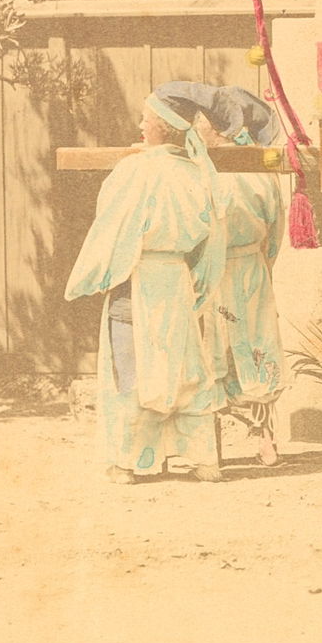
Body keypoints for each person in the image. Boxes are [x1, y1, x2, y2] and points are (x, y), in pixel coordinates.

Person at [65, 89, 226, 484]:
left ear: (161, 127)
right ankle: (203, 459)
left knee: (132, 367)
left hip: (136, 278)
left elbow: (113, 229)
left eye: (145, 118)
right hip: (177, 278)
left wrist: (94, 276)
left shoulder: (134, 172)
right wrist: (196, 278)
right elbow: (211, 238)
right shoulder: (198, 173)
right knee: (183, 365)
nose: (140, 125)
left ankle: (126, 462)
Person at [154, 81, 289, 468]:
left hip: (223, 268)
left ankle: (230, 442)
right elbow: (274, 233)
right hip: (248, 269)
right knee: (245, 346)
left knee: (221, 349)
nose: (198, 130)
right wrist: (264, 266)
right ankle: (265, 441)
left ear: (215, 127)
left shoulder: (207, 171)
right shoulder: (259, 170)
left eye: (202, 124)